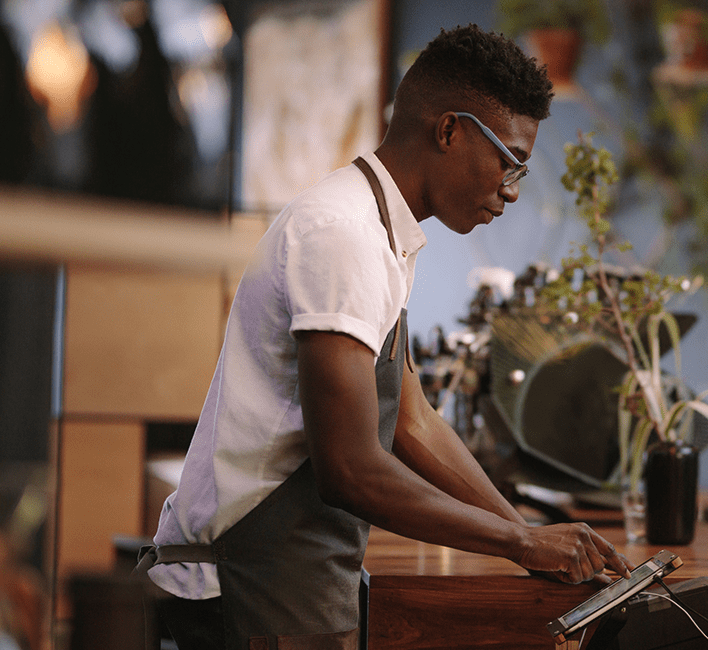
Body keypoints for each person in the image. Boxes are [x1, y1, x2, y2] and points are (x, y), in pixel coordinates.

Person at [137, 24, 633, 649]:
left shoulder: (380, 230)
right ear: (449, 130)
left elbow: (413, 422)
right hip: (238, 593)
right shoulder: (340, 235)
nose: (510, 191)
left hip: (292, 583)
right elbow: (347, 468)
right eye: (508, 161)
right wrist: (521, 539)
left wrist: (527, 538)